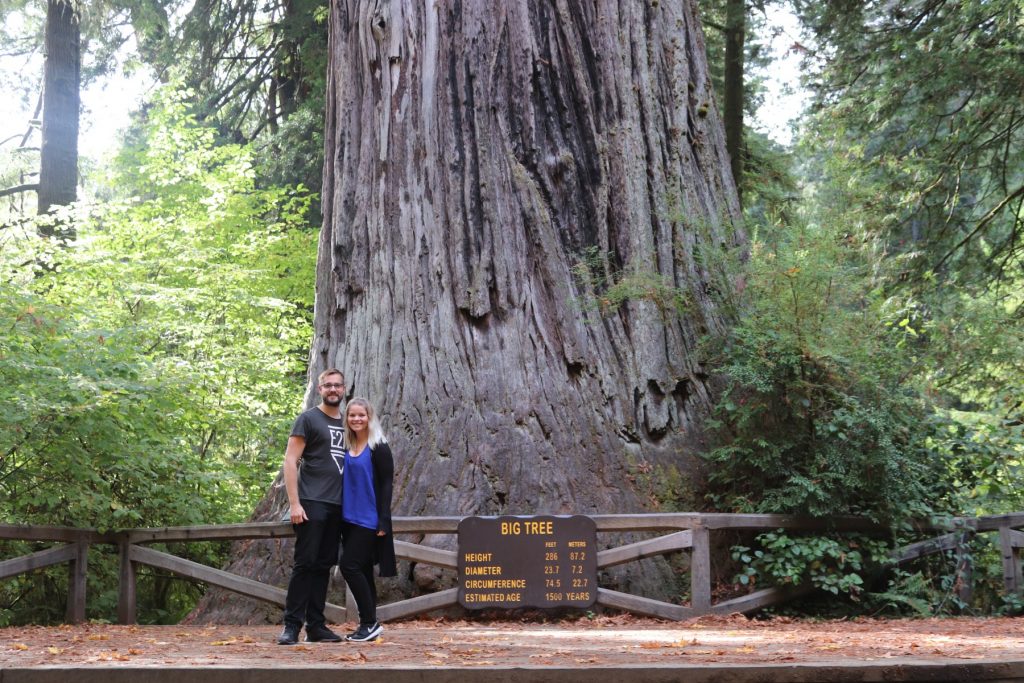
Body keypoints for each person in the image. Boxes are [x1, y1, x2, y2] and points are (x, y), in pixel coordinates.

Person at [276, 368, 347, 645]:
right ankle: (291, 626)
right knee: (305, 564)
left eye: (337, 385)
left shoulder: (349, 422)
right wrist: (294, 503)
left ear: (343, 389)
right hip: (312, 502)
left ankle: (316, 626)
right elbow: (290, 461)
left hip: (339, 506)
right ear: (320, 389)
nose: (332, 389)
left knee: (324, 566)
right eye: (327, 385)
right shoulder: (308, 419)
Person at [338, 397, 396, 642]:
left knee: (348, 566)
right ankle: (368, 624)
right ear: (347, 419)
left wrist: (383, 521)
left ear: (369, 417)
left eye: (361, 415)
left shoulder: (378, 446)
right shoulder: (347, 446)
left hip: (369, 519)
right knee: (361, 569)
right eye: (352, 415)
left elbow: (386, 485)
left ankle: (369, 622)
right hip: (348, 519)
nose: (357, 419)